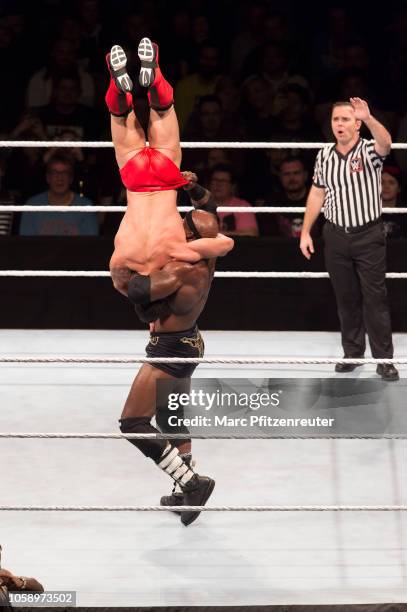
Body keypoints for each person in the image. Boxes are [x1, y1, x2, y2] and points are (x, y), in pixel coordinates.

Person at [113, 176, 220, 526]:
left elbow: (138, 290)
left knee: (133, 422)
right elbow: (209, 208)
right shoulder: (206, 253)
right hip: (189, 340)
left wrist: (128, 262)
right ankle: (185, 493)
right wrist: (192, 187)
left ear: (185, 236)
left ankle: (192, 483)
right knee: (171, 420)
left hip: (170, 349)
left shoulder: (180, 270)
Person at [106, 38, 233, 285]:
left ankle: (154, 78)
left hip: (166, 178)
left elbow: (227, 244)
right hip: (136, 180)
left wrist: (201, 246)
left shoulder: (176, 252)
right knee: (120, 116)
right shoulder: (123, 257)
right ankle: (118, 86)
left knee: (163, 110)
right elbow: (119, 281)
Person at [300, 97, 399, 381]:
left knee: (375, 298)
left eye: (345, 119)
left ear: (356, 125)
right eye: (335, 120)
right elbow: (317, 193)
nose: (339, 125)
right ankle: (353, 353)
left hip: (368, 235)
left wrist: (368, 118)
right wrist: (306, 231)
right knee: (346, 298)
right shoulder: (324, 155)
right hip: (335, 235)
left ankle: (384, 359)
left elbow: (386, 143)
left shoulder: (368, 150)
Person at [19, 155, 98, 236]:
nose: (59, 177)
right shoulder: (32, 206)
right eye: (54, 172)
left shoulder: (86, 207)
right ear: (48, 178)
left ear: (71, 178)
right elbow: (26, 245)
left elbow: (90, 245)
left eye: (65, 173)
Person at [208, 164, 259, 237]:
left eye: (223, 181)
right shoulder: (200, 204)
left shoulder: (242, 206)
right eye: (215, 180)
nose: (218, 184)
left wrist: (214, 235)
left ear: (233, 186)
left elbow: (251, 233)